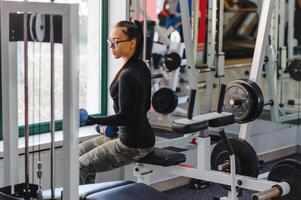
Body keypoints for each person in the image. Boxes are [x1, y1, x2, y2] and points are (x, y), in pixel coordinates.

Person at [79, 20, 155, 184]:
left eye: (116, 42)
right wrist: (113, 126)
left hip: (134, 144)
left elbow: (125, 117)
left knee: (80, 166)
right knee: (77, 152)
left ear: (132, 43)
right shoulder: (141, 67)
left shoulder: (129, 74)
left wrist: (92, 120)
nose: (111, 46)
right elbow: (143, 107)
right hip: (129, 135)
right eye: (110, 41)